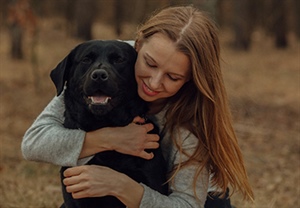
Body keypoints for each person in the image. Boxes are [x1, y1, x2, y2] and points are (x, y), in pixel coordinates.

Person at [22, 5, 254, 208]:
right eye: (150, 63)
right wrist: (111, 139)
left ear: (190, 79)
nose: (154, 82)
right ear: (138, 46)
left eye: (172, 77)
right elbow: (34, 143)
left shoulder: (192, 122)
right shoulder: (105, 64)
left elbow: (186, 204)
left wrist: (119, 185)